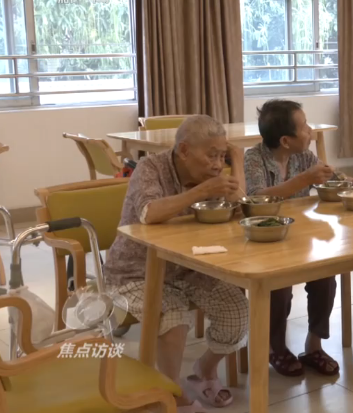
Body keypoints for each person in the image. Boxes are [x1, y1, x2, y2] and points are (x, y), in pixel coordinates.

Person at [104, 115, 248, 413]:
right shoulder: (150, 168)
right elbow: (149, 213)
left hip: (189, 268)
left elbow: (241, 207)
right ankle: (170, 393)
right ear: (184, 150)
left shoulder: (211, 173)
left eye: (222, 156)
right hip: (136, 271)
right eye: (211, 155)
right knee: (174, 314)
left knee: (236, 310)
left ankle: (205, 370)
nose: (217, 165)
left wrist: (237, 161)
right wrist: (201, 191)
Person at [244, 99, 353, 378]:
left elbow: (332, 177)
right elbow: (255, 198)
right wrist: (303, 180)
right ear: (285, 141)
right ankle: (275, 346)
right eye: (304, 127)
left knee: (325, 276)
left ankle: (314, 345)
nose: (311, 131)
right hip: (266, 239)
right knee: (278, 288)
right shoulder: (253, 157)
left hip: (300, 234)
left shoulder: (304, 157)